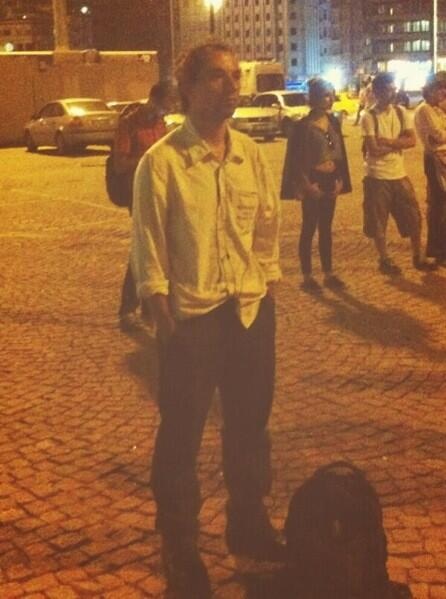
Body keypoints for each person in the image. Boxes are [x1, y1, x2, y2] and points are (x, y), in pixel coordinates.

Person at [131, 41, 282, 598]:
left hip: (249, 310)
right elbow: (148, 249)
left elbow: (266, 228)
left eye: (235, 76)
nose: (232, 86)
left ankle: (248, 524)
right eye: (217, 77)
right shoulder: (163, 162)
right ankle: (180, 546)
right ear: (187, 88)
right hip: (192, 318)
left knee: (249, 426)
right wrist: (164, 318)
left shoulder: (250, 154)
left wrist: (266, 287)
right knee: (182, 436)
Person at [114, 81, 176, 330]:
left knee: (162, 249)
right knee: (144, 248)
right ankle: (128, 308)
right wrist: (150, 158)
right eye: (165, 105)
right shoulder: (129, 123)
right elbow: (120, 164)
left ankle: (152, 307)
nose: (166, 111)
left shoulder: (160, 124)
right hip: (138, 194)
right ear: (153, 100)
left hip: (162, 192)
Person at [361, 72, 436, 275]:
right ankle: (384, 259)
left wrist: (388, 142)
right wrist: (398, 144)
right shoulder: (368, 117)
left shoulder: (401, 112)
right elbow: (373, 150)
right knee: (378, 222)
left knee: (414, 216)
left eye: (393, 89)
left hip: (399, 174)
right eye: (388, 90)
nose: (393, 93)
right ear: (377, 92)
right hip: (377, 176)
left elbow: (412, 141)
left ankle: (418, 256)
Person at [281, 77, 352, 292]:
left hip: (330, 180)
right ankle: (307, 276)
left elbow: (337, 154)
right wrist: (306, 185)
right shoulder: (303, 126)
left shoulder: (333, 123)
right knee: (309, 227)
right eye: (325, 95)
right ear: (315, 98)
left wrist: (340, 180)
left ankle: (328, 273)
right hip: (312, 180)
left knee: (326, 228)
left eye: (331, 95)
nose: (330, 99)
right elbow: (296, 160)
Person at [414, 71, 446, 266]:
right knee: (437, 204)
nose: (443, 92)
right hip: (435, 159)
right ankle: (436, 249)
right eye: (439, 88)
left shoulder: (438, 110)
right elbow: (438, 136)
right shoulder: (425, 109)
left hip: (442, 157)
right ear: (430, 90)